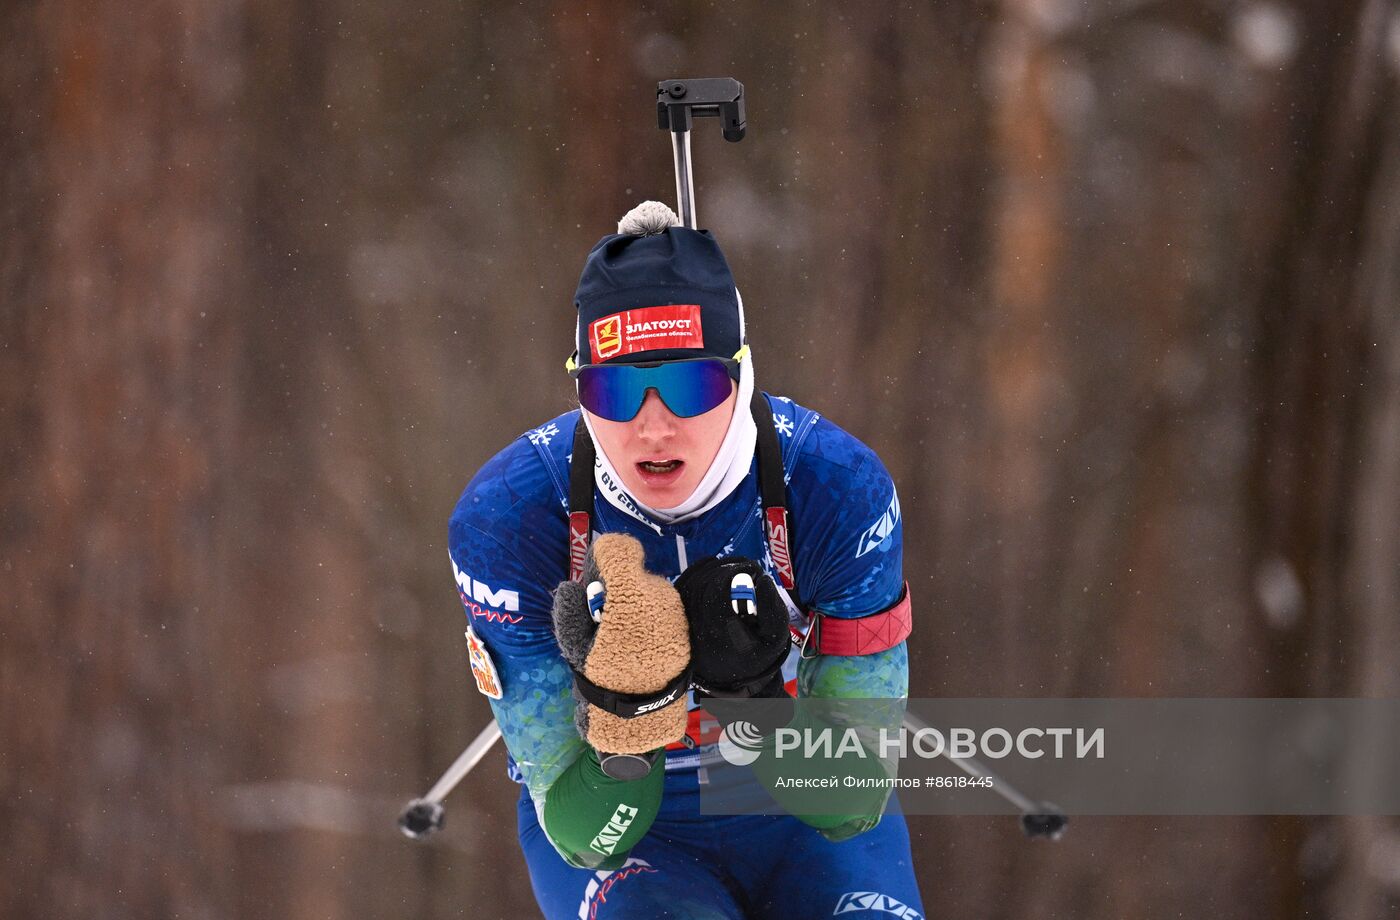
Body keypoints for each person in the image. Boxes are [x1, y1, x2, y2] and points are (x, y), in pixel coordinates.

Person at [449, 201, 923, 919]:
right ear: (578, 388)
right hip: (634, 830)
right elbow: (580, 835)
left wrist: (756, 703)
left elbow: (851, 802)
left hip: (802, 816)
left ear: (741, 374)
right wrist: (627, 717)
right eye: (612, 390)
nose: (651, 425)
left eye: (689, 385)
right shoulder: (509, 517)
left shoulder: (835, 490)